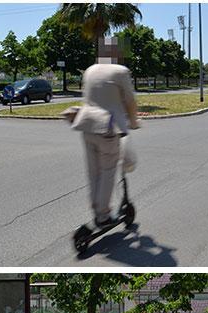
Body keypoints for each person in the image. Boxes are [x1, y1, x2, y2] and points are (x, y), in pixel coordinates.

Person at [68, 36, 139, 227]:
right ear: (115, 53)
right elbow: (130, 101)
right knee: (108, 171)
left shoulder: (90, 71)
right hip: (108, 128)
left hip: (87, 126)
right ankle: (102, 215)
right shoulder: (120, 71)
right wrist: (133, 122)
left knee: (94, 172)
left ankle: (96, 207)